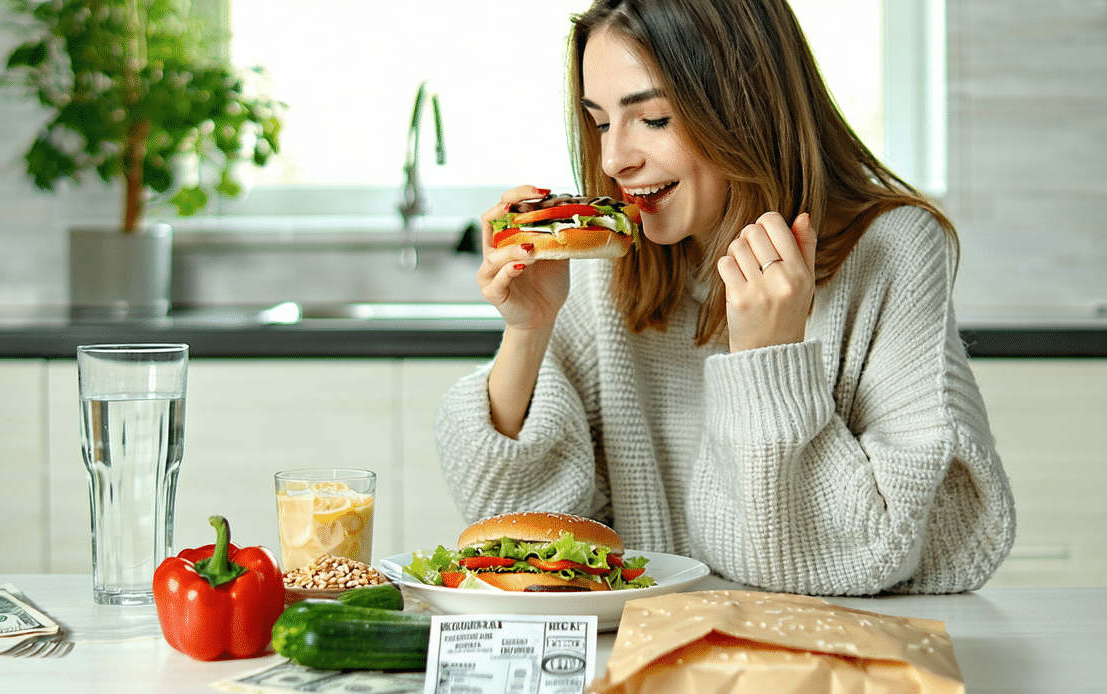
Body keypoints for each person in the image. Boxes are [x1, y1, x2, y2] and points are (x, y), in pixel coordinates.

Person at [434, 0, 1015, 596]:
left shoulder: (893, 250)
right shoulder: (608, 269)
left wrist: (767, 364)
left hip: (822, 659)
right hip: (639, 653)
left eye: (653, 120)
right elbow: (517, 532)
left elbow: (887, 548)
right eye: (602, 122)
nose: (614, 161)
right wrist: (530, 330)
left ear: (744, 111)